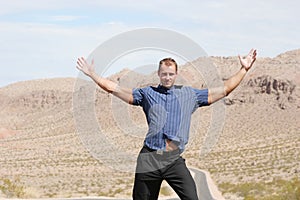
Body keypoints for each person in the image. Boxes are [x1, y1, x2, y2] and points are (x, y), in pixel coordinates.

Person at [76, 49, 257, 199]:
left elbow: (224, 89)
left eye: (171, 74)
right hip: (149, 159)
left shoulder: (190, 95)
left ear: (176, 74)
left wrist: (243, 69)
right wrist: (92, 74)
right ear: (159, 74)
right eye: (164, 74)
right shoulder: (147, 94)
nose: (167, 78)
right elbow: (113, 88)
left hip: (173, 160)